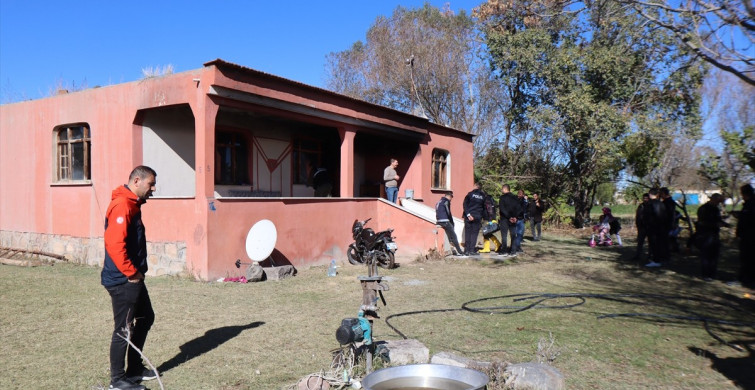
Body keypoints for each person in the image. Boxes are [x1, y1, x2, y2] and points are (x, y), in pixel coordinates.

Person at [102, 166, 159, 390]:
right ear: (137, 180)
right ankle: (117, 381)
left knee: (146, 317)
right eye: (151, 184)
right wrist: (131, 273)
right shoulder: (123, 205)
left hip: (132, 277)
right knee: (123, 329)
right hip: (123, 280)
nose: (153, 189)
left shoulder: (133, 204)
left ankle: (134, 370)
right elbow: (115, 245)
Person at [695, 193, 728, 281]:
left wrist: (724, 223)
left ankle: (712, 273)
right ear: (713, 199)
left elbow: (718, 219)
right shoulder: (703, 209)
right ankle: (705, 274)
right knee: (706, 255)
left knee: (714, 254)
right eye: (718, 201)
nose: (718, 203)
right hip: (705, 234)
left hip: (714, 234)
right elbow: (701, 222)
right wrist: (714, 224)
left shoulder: (716, 209)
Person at [734, 184, 754, 287]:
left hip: (749, 236)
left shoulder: (751, 204)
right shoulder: (748, 204)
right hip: (747, 235)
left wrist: (741, 216)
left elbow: (747, 220)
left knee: (747, 258)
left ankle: (746, 279)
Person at [644, 188, 670, 268]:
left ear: (650, 194)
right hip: (661, 227)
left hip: (653, 228)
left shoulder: (650, 204)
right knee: (659, 244)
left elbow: (649, 216)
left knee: (654, 244)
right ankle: (658, 259)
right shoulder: (661, 203)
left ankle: (656, 260)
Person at [498, 184, 522, 257]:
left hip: (505, 219)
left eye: (502, 189)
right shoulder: (515, 198)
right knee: (513, 235)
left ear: (505, 189)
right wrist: (515, 217)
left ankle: (504, 251)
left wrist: (509, 217)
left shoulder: (502, 198)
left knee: (504, 235)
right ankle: (513, 251)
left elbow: (502, 209)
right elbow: (519, 209)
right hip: (513, 219)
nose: (501, 190)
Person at [462, 182, 486, 255]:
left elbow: (465, 204)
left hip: (468, 216)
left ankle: (466, 250)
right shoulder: (483, 196)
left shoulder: (470, 194)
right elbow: (484, 207)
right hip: (477, 216)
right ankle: (472, 250)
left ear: (475, 186)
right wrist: (482, 217)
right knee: (474, 234)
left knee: (468, 233)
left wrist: (468, 214)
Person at [633, 193, 651, 261]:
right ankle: (638, 255)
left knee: (650, 243)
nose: (645, 199)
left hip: (649, 227)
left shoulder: (651, 206)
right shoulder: (641, 206)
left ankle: (649, 256)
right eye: (644, 198)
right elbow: (638, 216)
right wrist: (638, 225)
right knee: (640, 242)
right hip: (641, 227)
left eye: (646, 198)